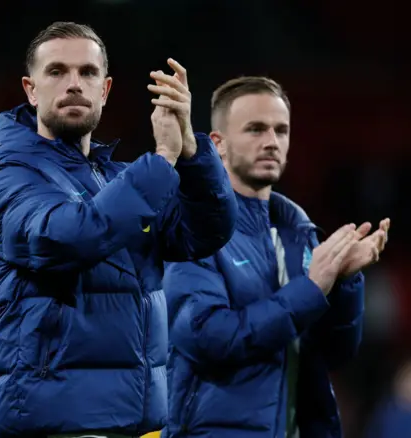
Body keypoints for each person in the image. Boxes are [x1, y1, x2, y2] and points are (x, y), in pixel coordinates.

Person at [0, 21, 237, 438]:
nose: (74, 84)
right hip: (53, 423)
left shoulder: (117, 179)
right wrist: (163, 157)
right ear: (30, 89)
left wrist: (190, 151)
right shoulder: (11, 177)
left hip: (129, 421)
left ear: (106, 90)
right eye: (57, 72)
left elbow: (205, 233)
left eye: (88, 73)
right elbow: (64, 238)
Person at [163, 76, 391, 438]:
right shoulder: (194, 231)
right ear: (218, 144)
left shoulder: (300, 234)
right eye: (255, 129)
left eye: (280, 130)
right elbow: (207, 337)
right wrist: (312, 288)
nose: (271, 142)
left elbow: (334, 353)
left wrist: (344, 284)